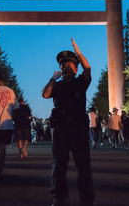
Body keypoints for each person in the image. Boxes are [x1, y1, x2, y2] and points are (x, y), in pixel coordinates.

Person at [42, 38, 96, 206]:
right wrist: (53, 78)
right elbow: (45, 94)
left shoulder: (81, 82)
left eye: (69, 65)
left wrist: (78, 52)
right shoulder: (56, 85)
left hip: (79, 128)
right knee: (58, 167)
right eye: (62, 66)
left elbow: (88, 68)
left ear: (75, 67)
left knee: (83, 167)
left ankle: (87, 199)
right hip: (61, 129)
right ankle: (58, 197)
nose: (65, 67)